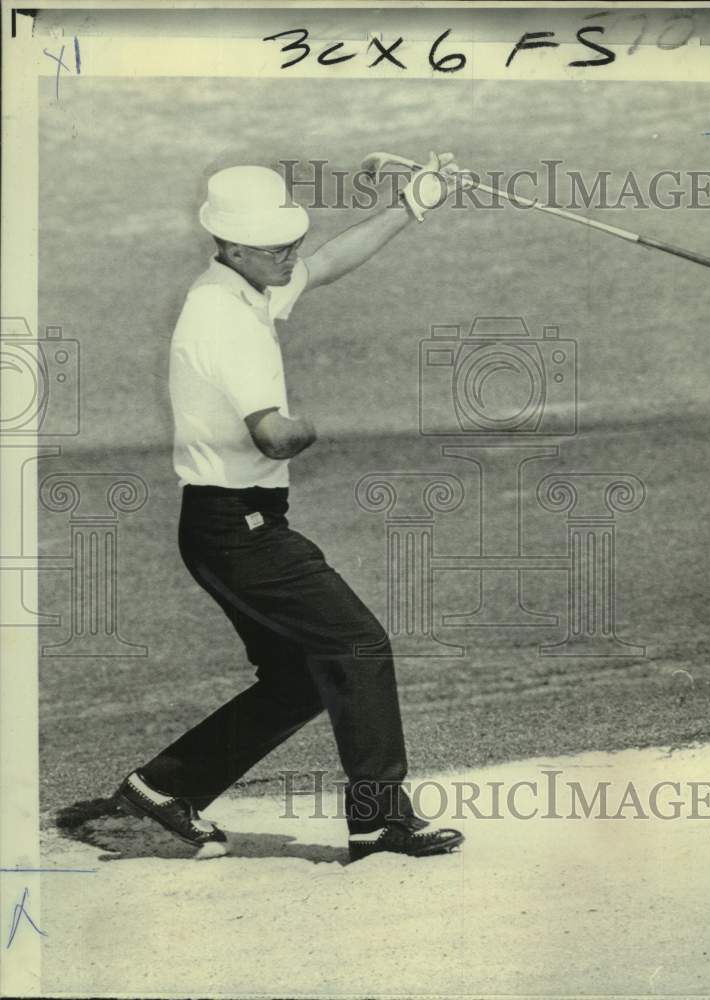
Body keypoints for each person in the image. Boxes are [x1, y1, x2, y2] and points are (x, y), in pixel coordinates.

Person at [115, 154, 468, 861]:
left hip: (228, 526)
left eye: (290, 240)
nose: (292, 254)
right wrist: (323, 424)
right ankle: (379, 822)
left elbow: (329, 261)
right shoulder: (226, 321)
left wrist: (412, 203)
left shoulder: (243, 284)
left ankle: (163, 787)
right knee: (357, 645)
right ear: (234, 243)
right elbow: (272, 432)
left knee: (302, 673)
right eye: (278, 246)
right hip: (240, 528)